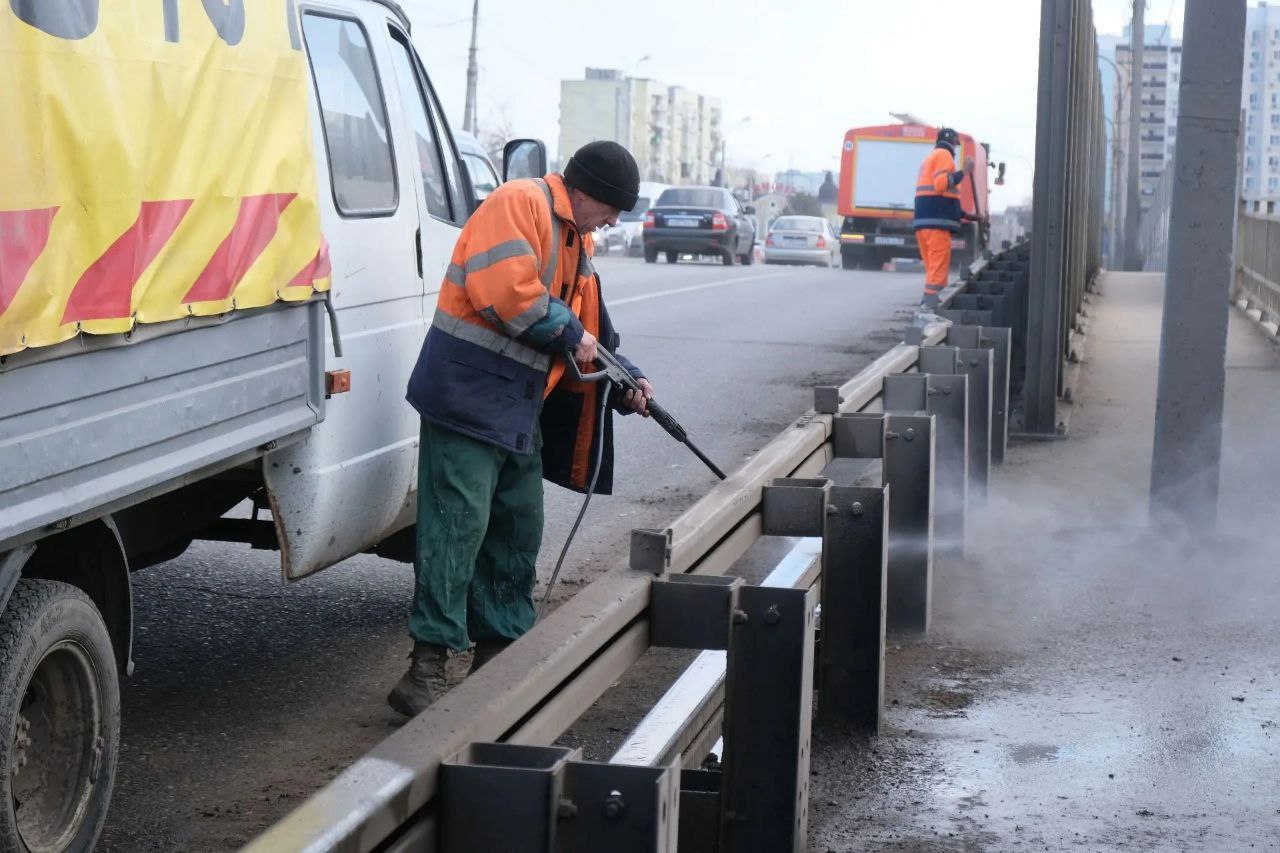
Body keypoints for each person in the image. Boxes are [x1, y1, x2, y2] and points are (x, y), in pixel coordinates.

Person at [389, 141, 654, 717]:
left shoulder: (576, 237)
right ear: (583, 192)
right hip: (466, 398)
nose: (612, 222)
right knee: (456, 530)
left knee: (516, 530)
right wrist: (573, 335)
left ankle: (498, 658)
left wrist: (624, 375)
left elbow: (588, 323)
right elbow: (507, 293)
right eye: (610, 209)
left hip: (516, 407)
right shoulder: (519, 203)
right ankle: (425, 668)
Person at [911, 127, 981, 327]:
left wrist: (968, 216)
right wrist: (964, 171)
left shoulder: (930, 159)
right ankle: (929, 309)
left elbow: (943, 198)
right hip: (937, 224)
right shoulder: (944, 156)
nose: (956, 149)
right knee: (938, 269)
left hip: (925, 222)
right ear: (952, 141)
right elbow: (941, 185)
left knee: (933, 268)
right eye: (956, 144)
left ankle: (929, 304)